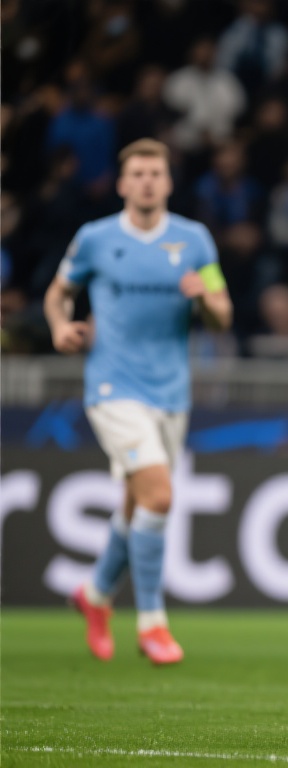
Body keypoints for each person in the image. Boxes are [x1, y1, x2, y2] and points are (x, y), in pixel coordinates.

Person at [43, 138, 233, 665]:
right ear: (123, 183)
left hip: (170, 392)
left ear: (168, 182)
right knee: (159, 495)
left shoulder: (194, 241)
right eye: (138, 174)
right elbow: (58, 293)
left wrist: (205, 299)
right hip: (112, 387)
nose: (147, 181)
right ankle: (152, 624)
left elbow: (223, 313)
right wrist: (60, 327)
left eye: (156, 173)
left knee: (138, 503)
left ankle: (95, 593)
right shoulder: (95, 239)